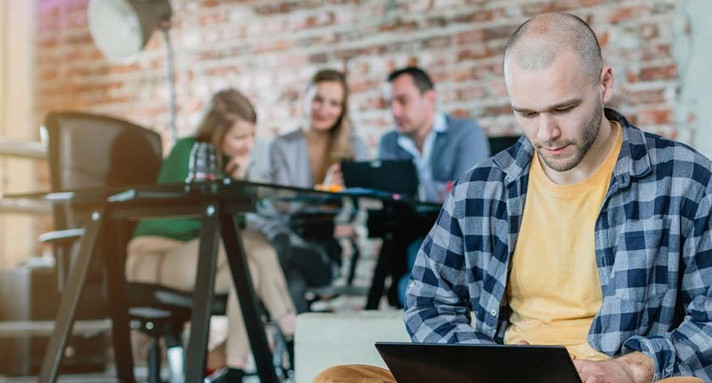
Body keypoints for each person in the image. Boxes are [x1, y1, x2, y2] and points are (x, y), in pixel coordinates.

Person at [315, 13, 711, 383]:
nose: (545, 133)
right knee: (338, 378)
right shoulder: (480, 187)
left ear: (604, 83)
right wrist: (486, 361)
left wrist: (636, 366)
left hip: (620, 379)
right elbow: (428, 299)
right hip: (502, 376)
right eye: (527, 113)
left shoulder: (684, 178)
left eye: (564, 108)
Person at [126, 89, 296, 383]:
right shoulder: (189, 150)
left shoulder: (228, 165)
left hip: (200, 255)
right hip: (156, 256)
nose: (248, 145)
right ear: (218, 134)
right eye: (240, 138)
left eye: (252, 136)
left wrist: (237, 179)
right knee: (251, 243)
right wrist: (234, 182)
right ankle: (292, 334)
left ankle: (234, 369)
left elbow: (232, 226)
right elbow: (202, 217)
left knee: (250, 271)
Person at [379, 66, 490, 306]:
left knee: (412, 277)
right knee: (404, 270)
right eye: (390, 103)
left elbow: (467, 196)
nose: (395, 111)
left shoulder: (465, 133)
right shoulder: (389, 142)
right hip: (408, 233)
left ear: (429, 98)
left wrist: (414, 185)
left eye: (403, 101)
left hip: (455, 236)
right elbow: (390, 198)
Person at [261, 68, 370, 312]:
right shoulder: (283, 146)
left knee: (276, 256)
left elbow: (359, 209)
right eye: (318, 100)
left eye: (334, 103)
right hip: (291, 241)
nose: (324, 109)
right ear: (306, 100)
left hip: (326, 251)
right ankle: (293, 349)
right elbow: (283, 206)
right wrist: (325, 191)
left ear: (343, 109)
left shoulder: (354, 149)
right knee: (294, 285)